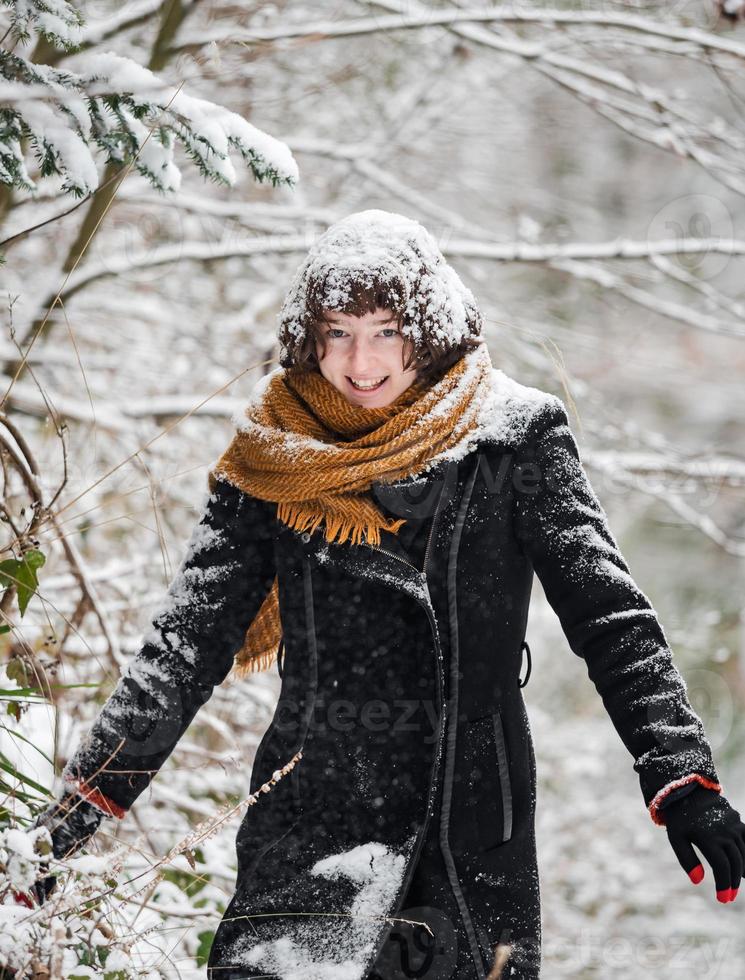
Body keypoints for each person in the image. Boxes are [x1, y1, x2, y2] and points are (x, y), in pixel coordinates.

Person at [24, 209, 745, 979]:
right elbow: (185, 646)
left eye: (386, 331)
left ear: (427, 330)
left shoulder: (514, 438)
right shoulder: (274, 453)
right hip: (310, 823)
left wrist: (678, 774)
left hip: (466, 829)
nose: (359, 362)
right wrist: (71, 817)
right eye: (336, 332)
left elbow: (609, 617)